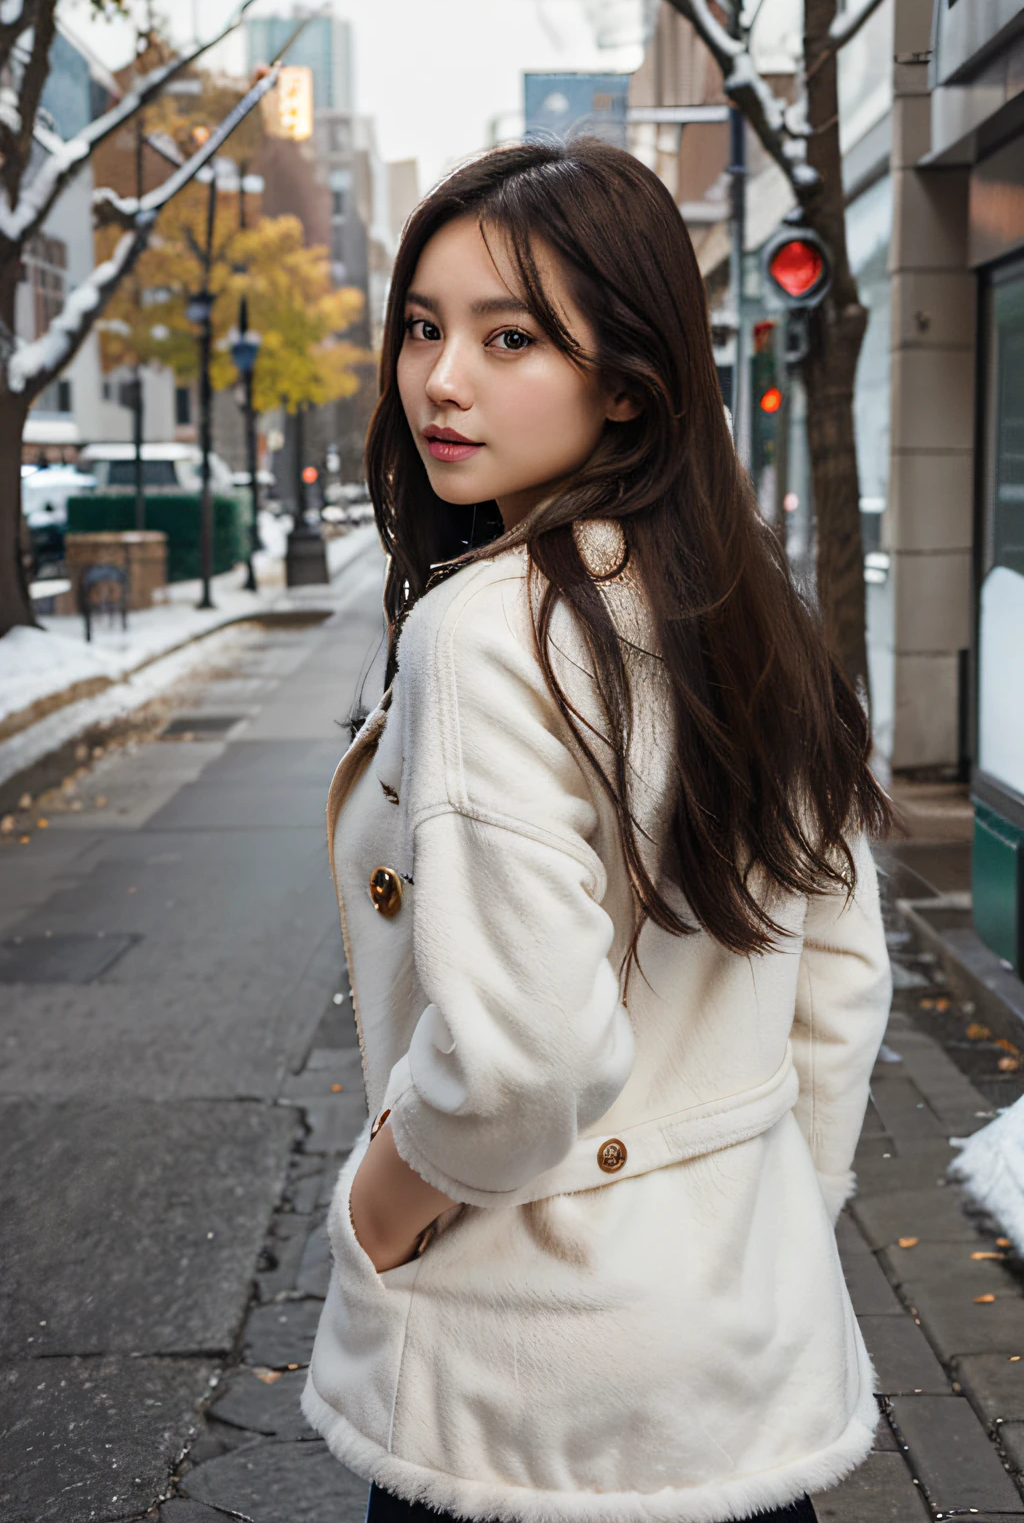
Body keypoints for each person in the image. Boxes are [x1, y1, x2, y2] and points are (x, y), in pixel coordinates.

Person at [303, 138, 893, 1523]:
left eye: (510, 337)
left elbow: (521, 1066)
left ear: (629, 382)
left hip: (528, 1397)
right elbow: (838, 985)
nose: (441, 380)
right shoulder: (754, 620)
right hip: (738, 1374)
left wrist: (381, 1211)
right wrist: (766, 1233)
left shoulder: (489, 634)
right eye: (423, 328)